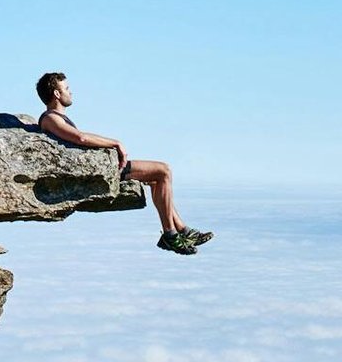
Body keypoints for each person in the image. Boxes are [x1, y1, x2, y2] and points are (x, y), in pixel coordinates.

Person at [36, 72, 213, 256]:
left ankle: (182, 230)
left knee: (156, 180)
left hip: (104, 166)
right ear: (57, 94)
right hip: (102, 170)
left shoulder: (56, 118)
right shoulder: (50, 118)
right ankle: (171, 234)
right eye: (66, 89)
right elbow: (81, 138)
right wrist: (115, 143)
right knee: (164, 170)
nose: (71, 93)